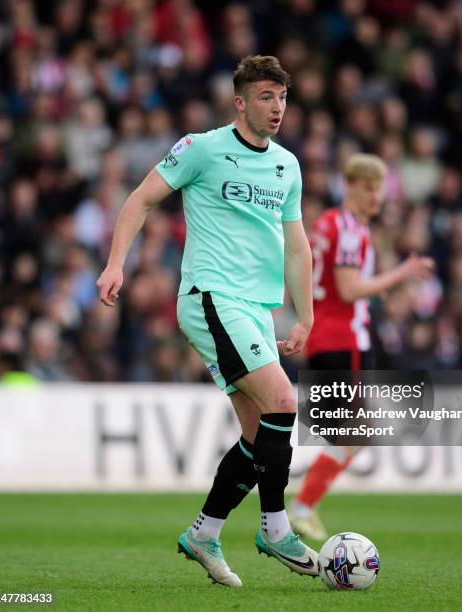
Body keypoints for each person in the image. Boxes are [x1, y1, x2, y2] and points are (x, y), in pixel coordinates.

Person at [97, 55, 317, 587]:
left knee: (257, 433)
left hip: (258, 310)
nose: (277, 108)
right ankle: (275, 527)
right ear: (239, 101)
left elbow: (296, 246)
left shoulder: (287, 165)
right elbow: (140, 199)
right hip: (210, 297)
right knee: (284, 402)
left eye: (282, 97)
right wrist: (115, 262)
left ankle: (203, 532)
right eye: (265, 97)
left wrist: (305, 315)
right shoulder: (201, 148)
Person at [289, 154, 434, 540]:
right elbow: (350, 289)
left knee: (348, 429)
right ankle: (302, 504)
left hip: (324, 336)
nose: (376, 197)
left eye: (379, 189)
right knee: (356, 430)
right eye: (369, 188)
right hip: (345, 339)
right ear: (350, 186)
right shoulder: (350, 228)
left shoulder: (324, 224)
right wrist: (399, 275)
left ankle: (301, 500)